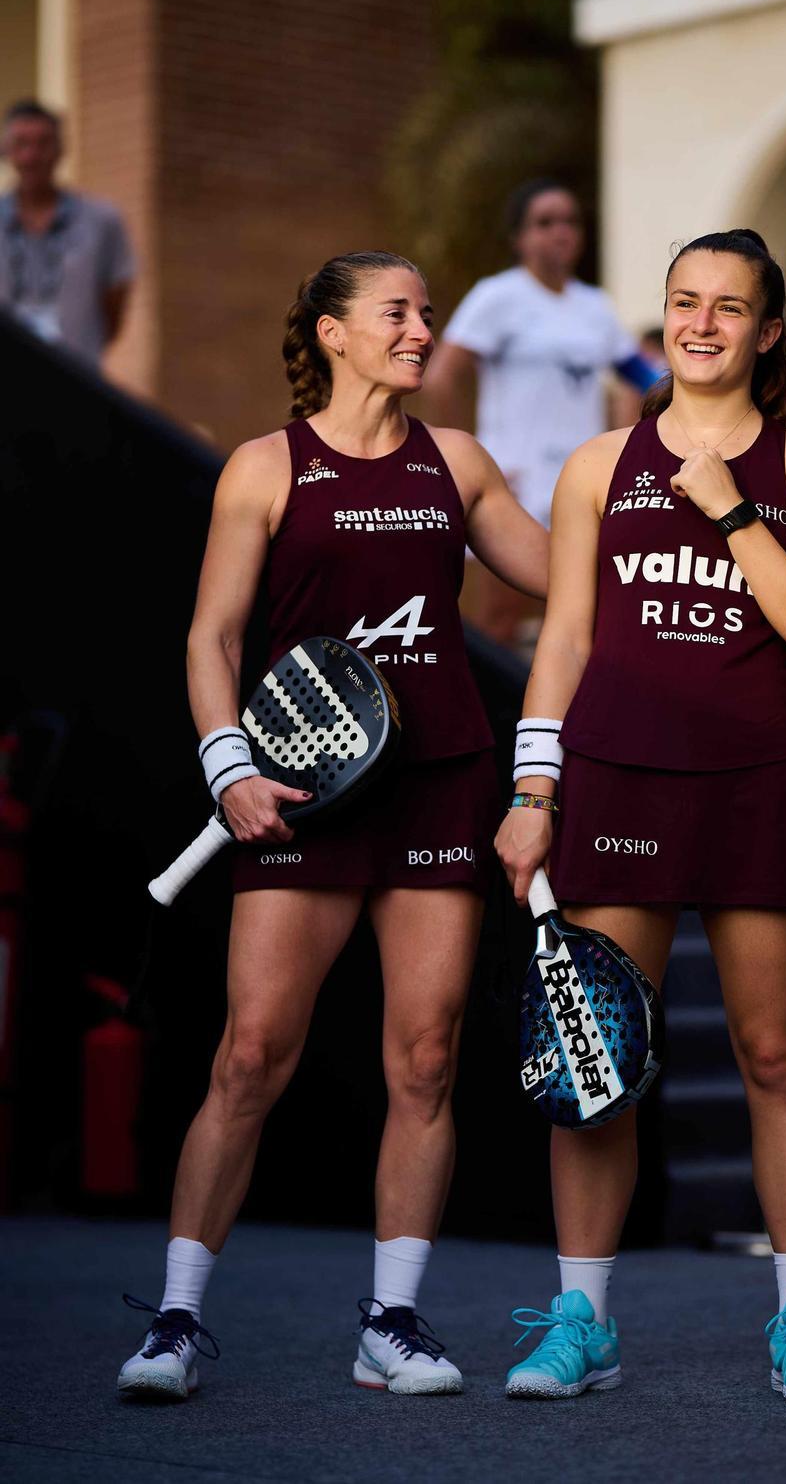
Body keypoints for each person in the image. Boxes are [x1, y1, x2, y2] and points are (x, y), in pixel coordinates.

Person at [117, 250, 547, 1400]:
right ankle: (172, 1321)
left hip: (437, 783)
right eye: (398, 312)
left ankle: (392, 1323)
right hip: (300, 792)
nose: (421, 330)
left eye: (425, 311)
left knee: (427, 1056)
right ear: (334, 333)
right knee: (251, 1053)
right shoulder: (264, 468)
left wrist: (652, 487)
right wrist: (227, 768)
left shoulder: (456, 463)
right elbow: (211, 638)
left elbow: (566, 576)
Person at [495, 229, 786, 1402]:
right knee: (594, 1055)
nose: (701, 322)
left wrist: (731, 511)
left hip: (758, 779)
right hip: (619, 780)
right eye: (683, 301)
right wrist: (532, 788)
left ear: (767, 332)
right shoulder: (600, 462)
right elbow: (565, 639)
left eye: (728, 306)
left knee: (774, 1052)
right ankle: (581, 1322)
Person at [423, 178, 657, 646]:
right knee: (500, 616)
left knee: (584, 613)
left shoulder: (595, 306)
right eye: (545, 222)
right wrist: (466, 464)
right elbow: (440, 377)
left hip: (581, 482)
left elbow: (647, 379)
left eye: (570, 221)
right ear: (520, 238)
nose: (560, 232)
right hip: (513, 482)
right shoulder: (498, 296)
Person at [0, 99, 134, 364]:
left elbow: (114, 308)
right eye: (21, 144)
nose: (31, 156)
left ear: (61, 149)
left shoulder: (101, 220)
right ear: (5, 150)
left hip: (75, 378)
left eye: (43, 144)